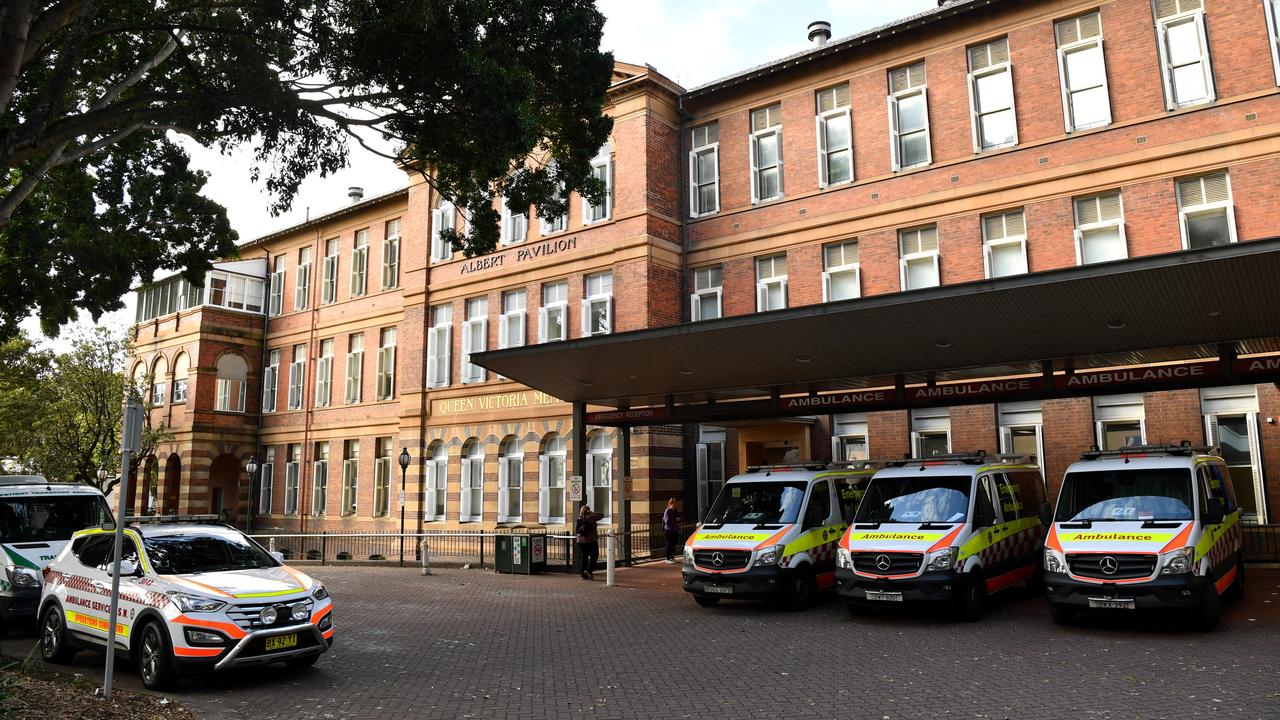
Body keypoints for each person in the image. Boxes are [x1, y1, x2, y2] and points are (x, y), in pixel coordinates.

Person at [575, 505, 604, 580]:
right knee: (595, 555)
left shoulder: (579, 518)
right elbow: (601, 515)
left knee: (584, 557)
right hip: (590, 540)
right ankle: (588, 570)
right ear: (588, 510)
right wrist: (592, 513)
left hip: (580, 541)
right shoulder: (591, 517)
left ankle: (583, 575)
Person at [662, 497, 681, 563]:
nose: (675, 505)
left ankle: (672, 557)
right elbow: (667, 521)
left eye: (675, 503)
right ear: (670, 504)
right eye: (673, 503)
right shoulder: (668, 511)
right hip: (669, 530)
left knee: (673, 544)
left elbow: (678, 518)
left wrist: (678, 519)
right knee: (669, 544)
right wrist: (675, 519)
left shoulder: (675, 510)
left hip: (675, 530)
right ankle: (668, 558)